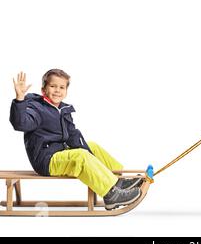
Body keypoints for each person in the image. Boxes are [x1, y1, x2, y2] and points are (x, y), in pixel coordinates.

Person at [10, 69, 142, 210]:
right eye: (53, 86)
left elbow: (73, 136)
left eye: (62, 87)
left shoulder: (64, 109)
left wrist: (92, 159)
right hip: (46, 160)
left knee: (91, 146)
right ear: (43, 89)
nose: (57, 91)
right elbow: (20, 123)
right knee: (81, 156)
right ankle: (111, 194)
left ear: (66, 90)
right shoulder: (36, 108)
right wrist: (19, 100)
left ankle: (118, 181)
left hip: (60, 153)